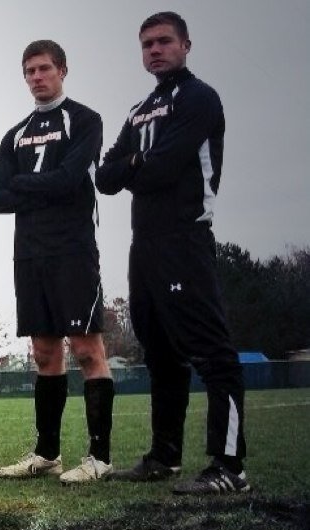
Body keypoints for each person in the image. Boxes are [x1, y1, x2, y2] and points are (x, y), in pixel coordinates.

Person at [97, 12, 248, 494]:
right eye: (147, 44)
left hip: (186, 238)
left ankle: (229, 466)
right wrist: (136, 161)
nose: (155, 50)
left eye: (164, 41)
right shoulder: (140, 109)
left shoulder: (200, 98)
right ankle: (165, 456)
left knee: (213, 352)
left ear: (186, 44)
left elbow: (161, 170)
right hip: (144, 246)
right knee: (160, 353)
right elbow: (104, 177)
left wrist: (133, 164)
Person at [0, 40, 116, 484]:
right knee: (44, 354)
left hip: (73, 251)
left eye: (44, 69)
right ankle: (47, 454)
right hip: (30, 254)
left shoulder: (84, 120)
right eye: (30, 71)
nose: (37, 77)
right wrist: (43, 183)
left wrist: (27, 184)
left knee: (85, 348)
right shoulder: (16, 133)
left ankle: (100, 456)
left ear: (63, 70)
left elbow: (69, 180)